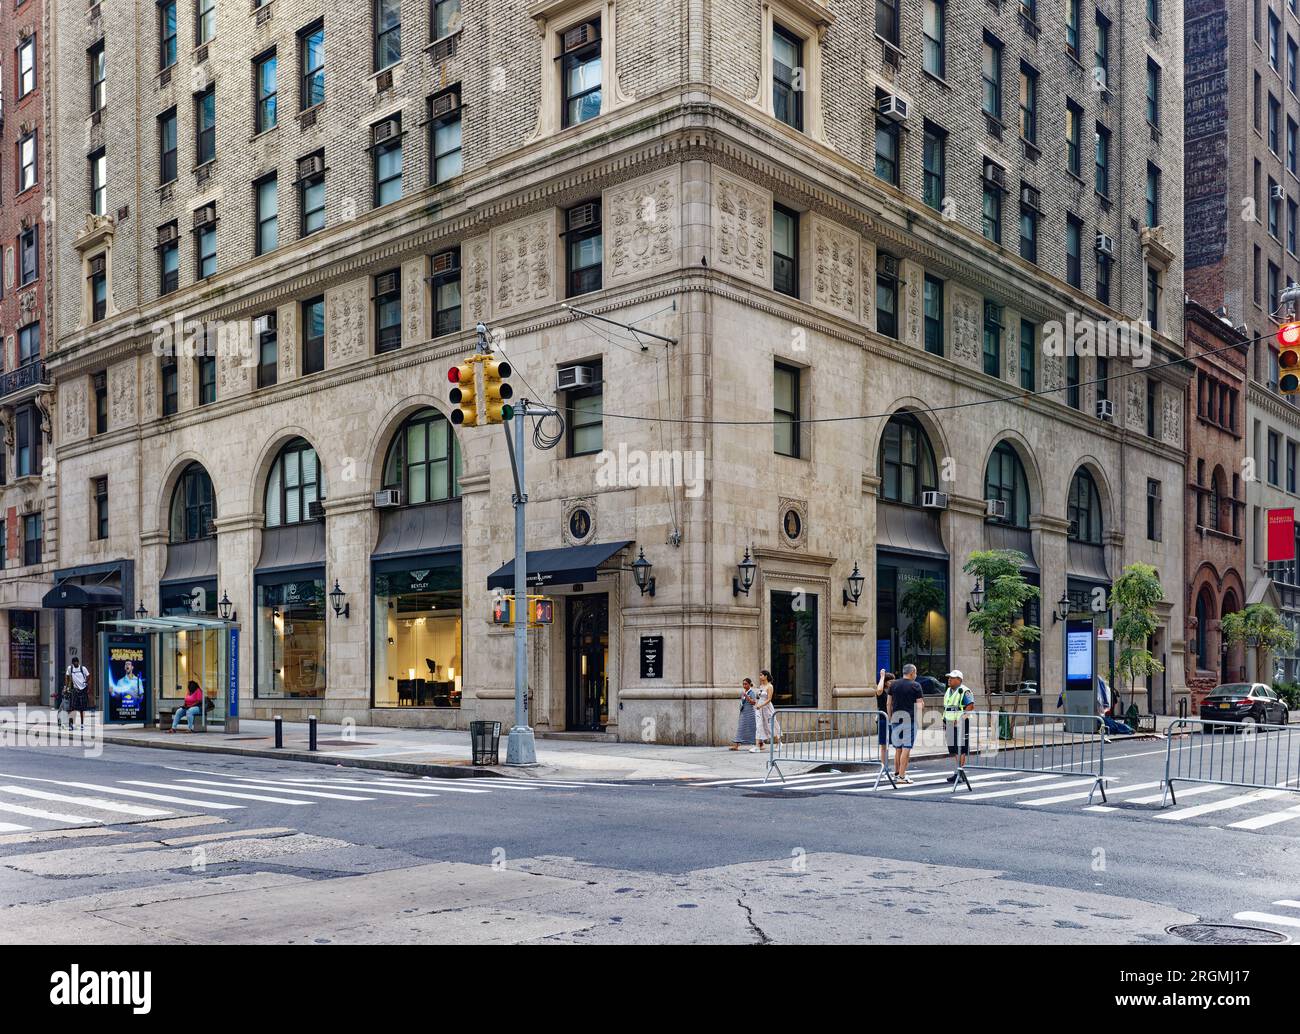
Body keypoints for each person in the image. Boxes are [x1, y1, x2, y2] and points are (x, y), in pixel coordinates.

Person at [887, 663, 925, 784]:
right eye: (916, 672)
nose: (916, 675)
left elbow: (889, 703)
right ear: (912, 673)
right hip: (909, 719)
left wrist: (890, 716)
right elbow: (919, 705)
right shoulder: (916, 686)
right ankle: (902, 776)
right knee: (906, 748)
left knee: (898, 748)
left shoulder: (893, 684)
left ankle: (897, 773)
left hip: (895, 718)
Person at [943, 669, 977, 782]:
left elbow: (970, 706)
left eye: (952, 678)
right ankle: (958, 770)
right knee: (953, 748)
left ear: (959, 680)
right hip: (949, 722)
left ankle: (959, 772)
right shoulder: (948, 690)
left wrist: (961, 720)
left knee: (961, 748)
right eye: (949, 678)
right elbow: (947, 707)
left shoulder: (965, 690)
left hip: (960, 723)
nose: (949, 680)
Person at [872, 668, 895, 773]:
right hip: (883, 719)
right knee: (883, 745)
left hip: (893, 719)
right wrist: (882, 677)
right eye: (890, 681)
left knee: (893, 744)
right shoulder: (882, 692)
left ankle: (887, 765)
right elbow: (879, 690)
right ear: (886, 682)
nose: (893, 683)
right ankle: (884, 766)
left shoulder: (892, 692)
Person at [753, 670, 780, 752]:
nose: (760, 677)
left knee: (771, 726)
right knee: (759, 726)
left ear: (765, 676)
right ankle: (757, 746)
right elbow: (759, 697)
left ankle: (779, 743)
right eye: (760, 675)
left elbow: (769, 699)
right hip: (759, 708)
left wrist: (760, 705)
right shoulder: (761, 686)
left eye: (761, 675)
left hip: (767, 708)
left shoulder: (770, 686)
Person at [64, 654, 91, 731]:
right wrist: (66, 687)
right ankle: (71, 725)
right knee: (72, 708)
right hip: (75, 690)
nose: (75, 664)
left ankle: (82, 725)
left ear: (78, 662)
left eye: (76, 663)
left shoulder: (83, 668)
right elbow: (67, 678)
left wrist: (86, 682)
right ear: (72, 663)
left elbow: (89, 675)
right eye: (74, 663)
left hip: (83, 690)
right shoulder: (70, 668)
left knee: (82, 709)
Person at [731, 678, 758, 751]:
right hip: (743, 712)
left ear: (749, 684)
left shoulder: (751, 692)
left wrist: (747, 697)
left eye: (746, 684)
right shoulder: (744, 692)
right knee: (741, 728)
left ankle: (758, 743)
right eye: (743, 684)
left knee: (752, 728)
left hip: (750, 713)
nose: (744, 685)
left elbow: (754, 702)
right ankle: (736, 745)